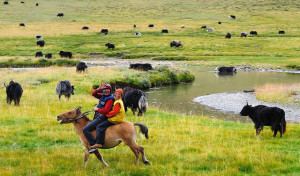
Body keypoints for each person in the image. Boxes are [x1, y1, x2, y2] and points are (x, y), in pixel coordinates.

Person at [89, 88, 125, 153]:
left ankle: (99, 143)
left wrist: (105, 115)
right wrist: (99, 89)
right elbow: (93, 94)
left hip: (115, 119)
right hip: (114, 118)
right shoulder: (116, 100)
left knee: (99, 127)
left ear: (121, 95)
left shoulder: (118, 102)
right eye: (116, 93)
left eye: (119, 94)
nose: (117, 94)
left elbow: (114, 112)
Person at [83, 83, 114, 148]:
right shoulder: (103, 96)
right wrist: (98, 89)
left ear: (110, 90)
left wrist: (97, 109)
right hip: (97, 117)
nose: (106, 90)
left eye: (108, 89)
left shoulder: (110, 99)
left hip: (102, 118)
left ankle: (94, 144)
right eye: (105, 89)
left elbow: (106, 110)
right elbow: (93, 94)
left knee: (85, 129)